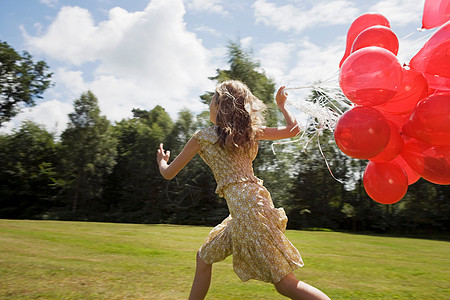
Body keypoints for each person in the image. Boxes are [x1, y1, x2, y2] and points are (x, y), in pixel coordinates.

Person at [157, 80, 331, 300]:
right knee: (203, 258)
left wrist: (163, 162)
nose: (209, 104)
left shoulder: (201, 137)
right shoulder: (249, 132)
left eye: (212, 99)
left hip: (248, 211)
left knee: (285, 284)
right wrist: (282, 106)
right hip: (248, 207)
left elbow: (168, 173)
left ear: (220, 106)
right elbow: (293, 129)